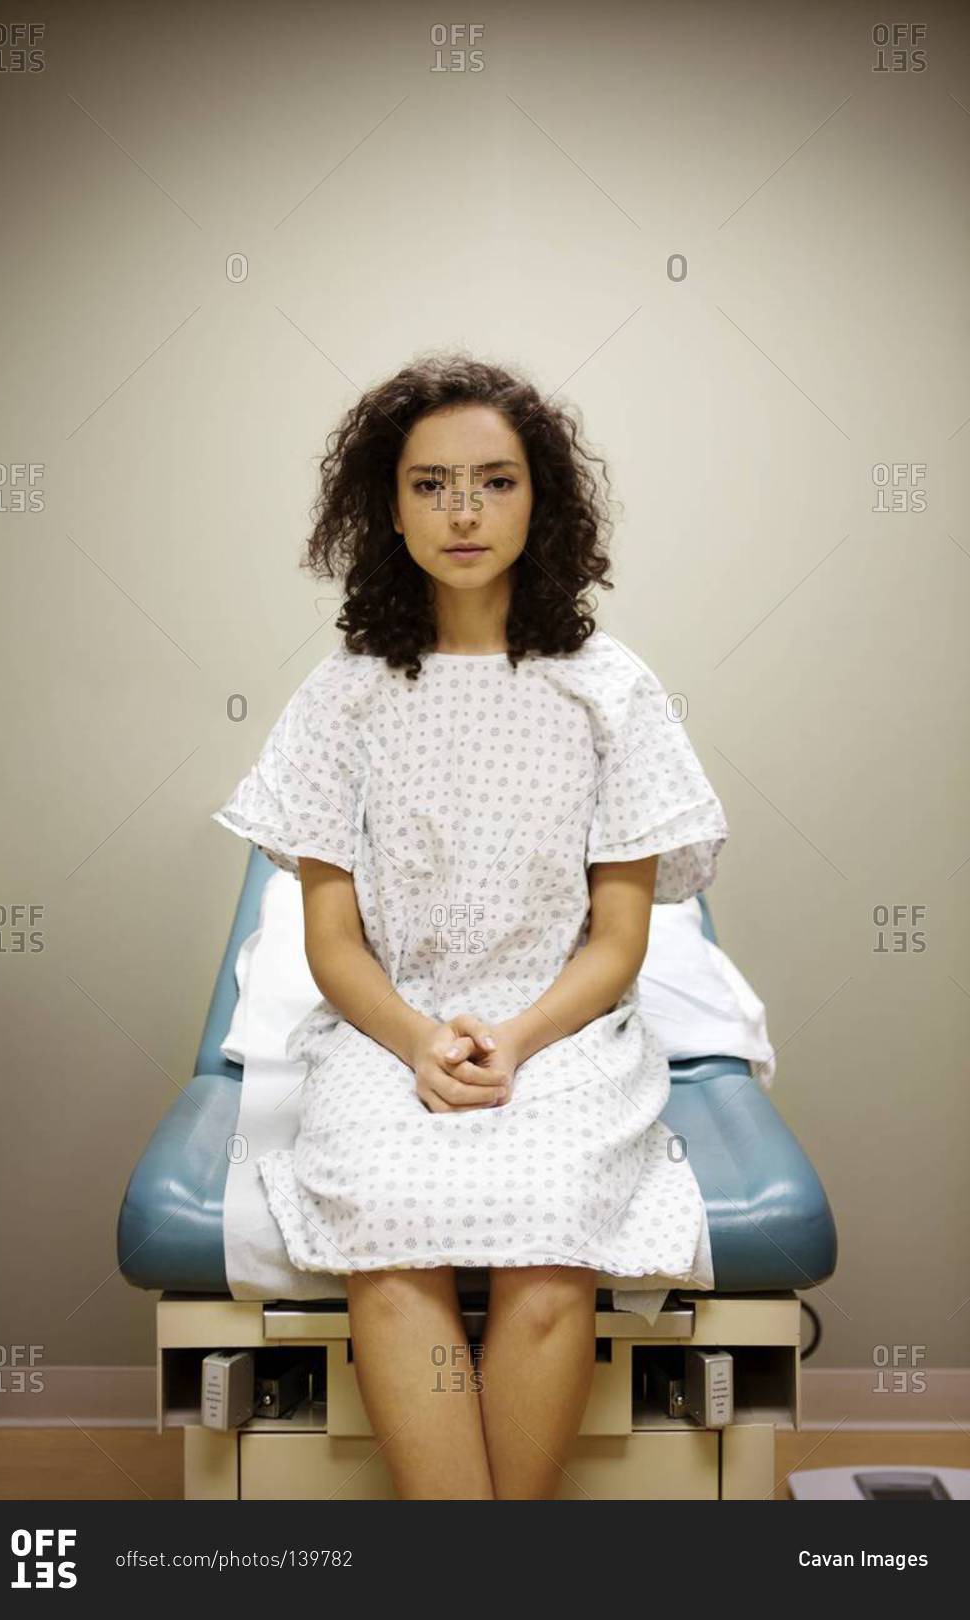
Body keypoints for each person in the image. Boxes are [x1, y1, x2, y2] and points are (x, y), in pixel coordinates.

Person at [211, 351, 729, 1499]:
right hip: (385, 1033)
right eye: (429, 483)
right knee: (388, 1224)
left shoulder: (609, 690)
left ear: (539, 500)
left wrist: (520, 1039)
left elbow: (617, 943)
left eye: (493, 482)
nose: (461, 511)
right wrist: (413, 1044)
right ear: (385, 509)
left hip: (565, 1035)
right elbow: (331, 944)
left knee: (551, 1223)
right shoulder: (342, 697)